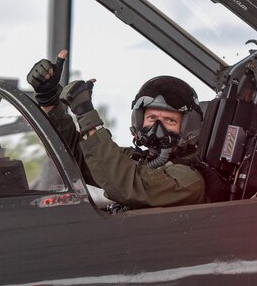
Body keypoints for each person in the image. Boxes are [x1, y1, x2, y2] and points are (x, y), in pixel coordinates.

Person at [27, 50, 206, 209]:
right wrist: (49, 100)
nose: (157, 128)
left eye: (169, 120)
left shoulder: (189, 180)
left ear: (188, 126)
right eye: (151, 118)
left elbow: (125, 184)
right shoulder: (138, 162)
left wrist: (86, 114)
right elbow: (76, 156)